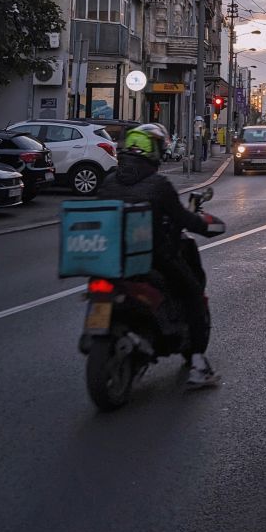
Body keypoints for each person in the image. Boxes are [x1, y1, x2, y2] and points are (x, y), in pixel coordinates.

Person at [99, 122, 221, 389]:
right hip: (154, 259)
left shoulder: (108, 182)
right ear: (154, 151)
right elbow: (183, 218)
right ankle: (199, 366)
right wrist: (206, 225)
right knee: (192, 294)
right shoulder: (158, 185)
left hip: (110, 259)